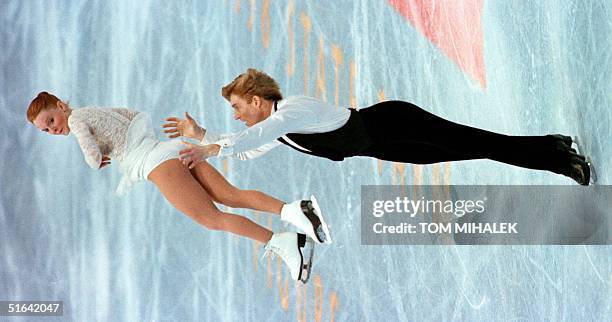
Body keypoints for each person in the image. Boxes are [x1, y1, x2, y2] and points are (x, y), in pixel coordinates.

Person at [26, 91, 332, 284]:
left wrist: (97, 158)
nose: (54, 129)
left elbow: (91, 156)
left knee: (212, 219)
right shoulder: (92, 109)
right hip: (168, 148)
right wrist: (117, 145)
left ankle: (289, 244)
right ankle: (296, 210)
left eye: (51, 120)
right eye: (47, 130)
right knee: (230, 195)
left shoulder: (77, 120)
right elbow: (131, 114)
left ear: (62, 105)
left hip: (156, 165)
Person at [167, 68, 592, 185]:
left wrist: (210, 148)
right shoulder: (279, 130)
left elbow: (250, 136)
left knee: (477, 142)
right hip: (388, 144)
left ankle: (560, 162)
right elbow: (248, 148)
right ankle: (551, 144)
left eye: (239, 107)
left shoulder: (290, 112)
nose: (238, 116)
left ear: (258, 101)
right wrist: (204, 137)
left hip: (394, 122)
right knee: (475, 147)